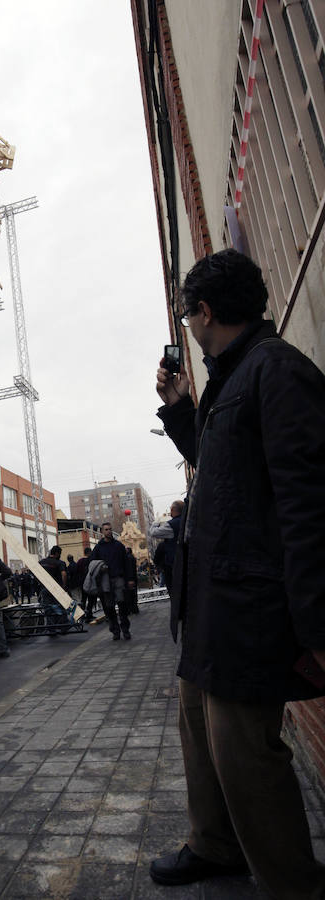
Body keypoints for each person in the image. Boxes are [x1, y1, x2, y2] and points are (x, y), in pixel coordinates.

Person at [150, 248, 325, 898]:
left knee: (247, 757)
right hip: (211, 611)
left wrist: (316, 624)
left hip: (248, 610)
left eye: (189, 316)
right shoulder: (234, 378)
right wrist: (177, 410)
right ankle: (215, 845)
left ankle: (293, 885)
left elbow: (307, 508)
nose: (188, 331)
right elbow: (221, 470)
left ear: (203, 312)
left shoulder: (275, 373)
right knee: (199, 734)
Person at [89, 523, 136, 640]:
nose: (109, 531)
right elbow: (92, 564)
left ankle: (125, 630)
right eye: (106, 530)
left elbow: (126, 563)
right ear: (102, 532)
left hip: (118, 578)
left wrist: (130, 579)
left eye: (110, 529)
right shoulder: (98, 548)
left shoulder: (118, 545)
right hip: (105, 581)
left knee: (122, 604)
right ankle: (115, 631)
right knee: (109, 607)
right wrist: (100, 569)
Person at [149, 501, 184, 595]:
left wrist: (156, 521)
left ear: (172, 510)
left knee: (175, 593)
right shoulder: (188, 521)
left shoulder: (172, 524)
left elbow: (153, 533)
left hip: (174, 563)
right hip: (189, 561)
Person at [38, 545, 69, 636]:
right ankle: (63, 627)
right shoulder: (60, 563)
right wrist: (64, 586)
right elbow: (64, 574)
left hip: (45, 588)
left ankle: (51, 629)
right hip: (57, 589)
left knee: (48, 609)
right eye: (59, 554)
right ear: (57, 553)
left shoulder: (41, 562)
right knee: (61, 607)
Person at [75, 547, 95, 621]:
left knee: (83, 599)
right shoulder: (91, 561)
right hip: (90, 582)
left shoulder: (80, 561)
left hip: (82, 583)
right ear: (90, 552)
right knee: (91, 599)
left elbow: (76, 572)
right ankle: (89, 614)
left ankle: (82, 614)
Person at [125, 547, 139, 614]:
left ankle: (133, 609)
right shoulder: (132, 557)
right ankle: (134, 608)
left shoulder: (129, 558)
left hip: (131, 579)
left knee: (131, 594)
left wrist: (130, 579)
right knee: (133, 594)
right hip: (133, 578)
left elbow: (130, 569)